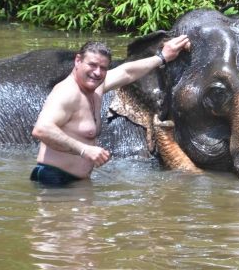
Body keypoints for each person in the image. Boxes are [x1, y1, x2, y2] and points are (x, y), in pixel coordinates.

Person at [30, 35, 189, 185]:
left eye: (103, 68)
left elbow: (126, 72)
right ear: (78, 61)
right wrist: (84, 150)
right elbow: (42, 129)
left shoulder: (95, 86)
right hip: (53, 180)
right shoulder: (67, 92)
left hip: (75, 182)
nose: (97, 72)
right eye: (92, 65)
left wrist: (162, 57)